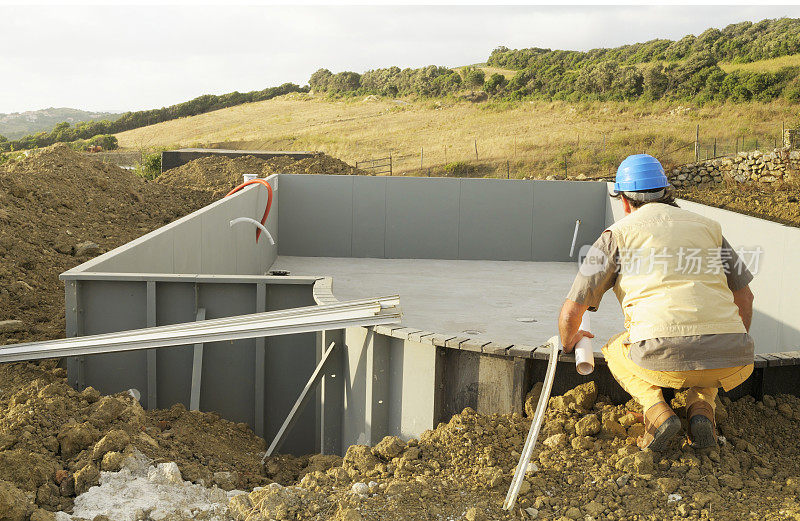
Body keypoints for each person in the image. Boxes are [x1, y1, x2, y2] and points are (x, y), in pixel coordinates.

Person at [558, 154, 755, 451]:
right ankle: (702, 410)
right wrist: (733, 339)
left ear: (624, 201)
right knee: (706, 353)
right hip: (735, 360)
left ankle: (657, 412)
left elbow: (572, 310)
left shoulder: (617, 235)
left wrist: (569, 339)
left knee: (614, 348)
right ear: (667, 192)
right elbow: (745, 296)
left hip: (661, 357)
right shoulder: (709, 227)